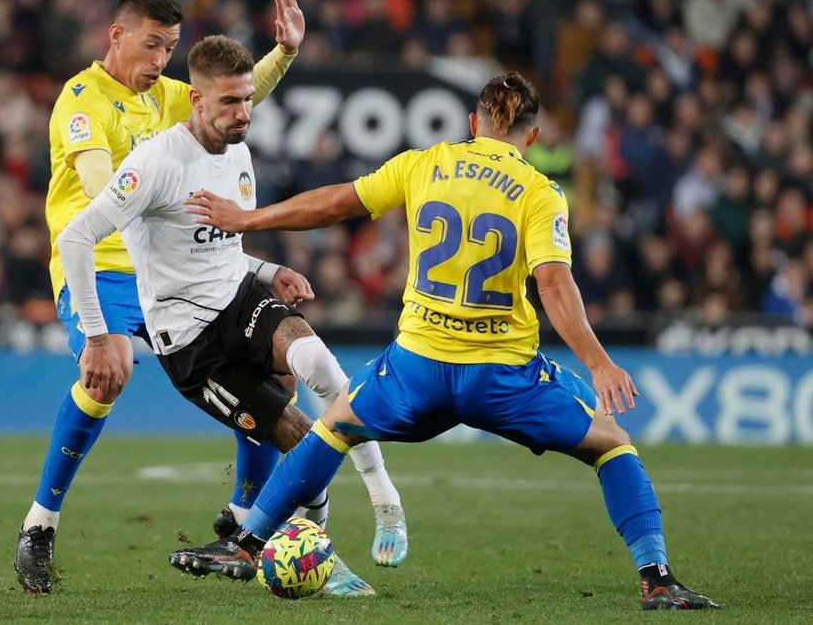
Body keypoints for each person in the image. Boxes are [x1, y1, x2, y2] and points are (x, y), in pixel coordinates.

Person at [173, 71, 720, 611]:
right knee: (611, 442)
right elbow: (553, 283)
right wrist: (599, 363)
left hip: (418, 368)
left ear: (472, 122)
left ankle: (246, 545)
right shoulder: (540, 193)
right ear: (531, 135)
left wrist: (251, 217)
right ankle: (657, 579)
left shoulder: (425, 163)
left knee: (333, 426)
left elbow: (337, 202)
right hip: (502, 377)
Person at [16, 0, 405, 594]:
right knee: (110, 370)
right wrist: (147, 184)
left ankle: (247, 517)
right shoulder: (83, 101)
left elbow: (229, 107)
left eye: (169, 48)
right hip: (108, 265)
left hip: (179, 267)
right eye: (151, 46)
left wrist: (286, 54)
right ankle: (40, 525)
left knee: (277, 378)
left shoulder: (173, 96)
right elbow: (101, 192)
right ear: (116, 36)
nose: (159, 62)